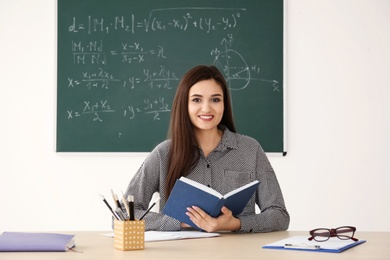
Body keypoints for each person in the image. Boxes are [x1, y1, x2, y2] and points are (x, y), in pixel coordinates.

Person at [124, 65, 289, 233]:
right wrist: (180, 222)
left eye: (215, 99)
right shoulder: (163, 154)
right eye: (196, 100)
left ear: (224, 103)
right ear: (185, 104)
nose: (206, 108)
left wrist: (235, 223)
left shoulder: (250, 149)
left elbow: (279, 215)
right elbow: (123, 214)